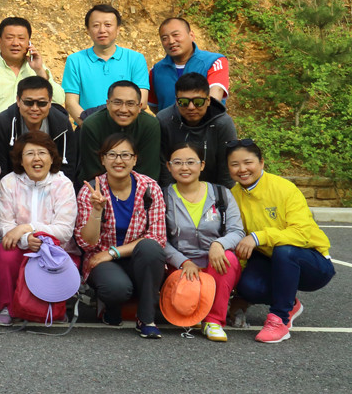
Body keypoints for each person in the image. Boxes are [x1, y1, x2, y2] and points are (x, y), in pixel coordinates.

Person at [227, 139, 336, 344]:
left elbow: (301, 233)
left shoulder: (284, 188)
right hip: (270, 261)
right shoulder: (234, 196)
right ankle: (290, 303)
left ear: (261, 162)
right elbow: (239, 242)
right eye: (234, 164)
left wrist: (258, 237)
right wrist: (238, 293)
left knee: (284, 250)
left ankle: (280, 319)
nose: (242, 169)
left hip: (310, 262)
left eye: (248, 162)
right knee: (249, 286)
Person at [75, 132, 167, 338]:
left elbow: (157, 238)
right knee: (116, 289)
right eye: (112, 155)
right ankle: (110, 306)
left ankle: (146, 318)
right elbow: (87, 244)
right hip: (101, 260)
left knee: (151, 248)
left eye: (125, 155)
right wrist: (96, 211)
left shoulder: (150, 188)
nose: (119, 160)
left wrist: (113, 252)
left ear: (135, 159)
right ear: (103, 159)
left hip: (136, 258)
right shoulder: (91, 190)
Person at [0, 132, 78, 325]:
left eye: (42, 153)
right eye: (30, 153)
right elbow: (4, 226)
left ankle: (52, 307)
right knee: (5, 253)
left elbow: (64, 231)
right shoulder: (9, 182)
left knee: (57, 258)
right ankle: (8, 307)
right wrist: (25, 240)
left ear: (52, 158)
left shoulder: (63, 184)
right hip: (21, 247)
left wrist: (28, 228)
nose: (36, 158)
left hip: (57, 248)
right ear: (21, 160)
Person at [163, 141, 244, 341]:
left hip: (215, 262)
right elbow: (159, 239)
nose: (184, 167)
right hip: (180, 265)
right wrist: (183, 261)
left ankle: (213, 321)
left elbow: (237, 231)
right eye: (177, 162)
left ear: (202, 165)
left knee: (228, 258)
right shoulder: (163, 196)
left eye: (191, 162)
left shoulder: (221, 194)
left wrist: (219, 244)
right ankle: (192, 311)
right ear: (169, 166)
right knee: (186, 308)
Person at [0, 16, 64, 129]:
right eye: (9, 38)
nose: (15, 43)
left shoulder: (36, 69)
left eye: (21, 38)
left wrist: (40, 71)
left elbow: (58, 100)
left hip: (32, 135)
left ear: (29, 43)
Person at [62, 4, 149, 121]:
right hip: (88, 127)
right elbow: (71, 103)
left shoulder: (135, 59)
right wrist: (92, 127)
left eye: (108, 25)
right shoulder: (75, 60)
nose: (102, 30)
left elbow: (142, 100)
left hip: (127, 127)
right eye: (96, 25)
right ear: (88, 30)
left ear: (118, 29)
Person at [0, 75, 77, 182]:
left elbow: (68, 167)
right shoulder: (3, 123)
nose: (35, 108)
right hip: (11, 185)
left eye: (42, 103)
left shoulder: (62, 124)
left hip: (52, 186)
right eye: (28, 102)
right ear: (18, 100)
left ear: (50, 102)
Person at [157, 73, 238, 188]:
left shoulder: (222, 124)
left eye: (198, 102)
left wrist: (222, 196)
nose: (191, 107)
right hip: (174, 190)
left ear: (208, 100)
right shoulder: (164, 121)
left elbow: (226, 169)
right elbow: (163, 166)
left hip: (213, 189)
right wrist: (169, 194)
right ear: (176, 101)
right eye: (184, 102)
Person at [75, 81, 161, 183]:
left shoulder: (149, 125)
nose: (123, 110)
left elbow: (148, 172)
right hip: (99, 186)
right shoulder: (91, 126)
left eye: (130, 104)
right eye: (117, 102)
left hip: (139, 186)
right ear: (108, 104)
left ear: (139, 107)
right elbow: (93, 171)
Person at [149, 17, 230, 110]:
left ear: (191, 35)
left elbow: (215, 98)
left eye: (176, 35)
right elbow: (154, 106)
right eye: (164, 38)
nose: (171, 41)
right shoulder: (156, 71)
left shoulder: (213, 61)